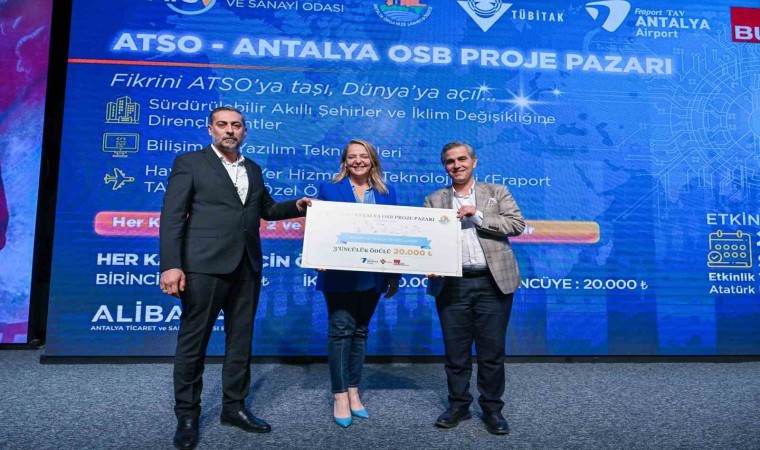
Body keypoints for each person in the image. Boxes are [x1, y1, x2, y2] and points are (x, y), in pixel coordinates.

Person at [159, 106, 312, 450]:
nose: (230, 130)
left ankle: (234, 408)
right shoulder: (190, 163)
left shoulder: (252, 168)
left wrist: (298, 206)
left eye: (236, 125)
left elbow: (266, 210)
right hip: (203, 266)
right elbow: (171, 217)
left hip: (247, 267)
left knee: (240, 341)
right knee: (193, 343)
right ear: (210, 129)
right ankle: (187, 416)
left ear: (245, 131)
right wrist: (171, 265)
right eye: (223, 125)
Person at [423, 141, 525, 435]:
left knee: (491, 352)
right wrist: (428, 261)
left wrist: (477, 215)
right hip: (451, 284)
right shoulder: (433, 199)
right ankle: (458, 405)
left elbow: (516, 225)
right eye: (450, 161)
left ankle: (492, 409)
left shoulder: (497, 192)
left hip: (493, 283)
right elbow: (427, 240)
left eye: (462, 159)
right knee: (456, 352)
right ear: (445, 166)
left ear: (474, 162)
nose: (456, 165)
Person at [315, 139, 400, 427]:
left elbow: (394, 235)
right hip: (339, 273)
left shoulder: (386, 193)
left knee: (361, 331)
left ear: (372, 160)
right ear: (344, 162)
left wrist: (394, 274)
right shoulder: (329, 189)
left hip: (373, 275)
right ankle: (340, 395)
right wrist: (318, 253)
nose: (358, 161)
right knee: (341, 331)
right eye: (352, 157)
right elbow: (320, 228)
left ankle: (353, 390)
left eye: (364, 156)